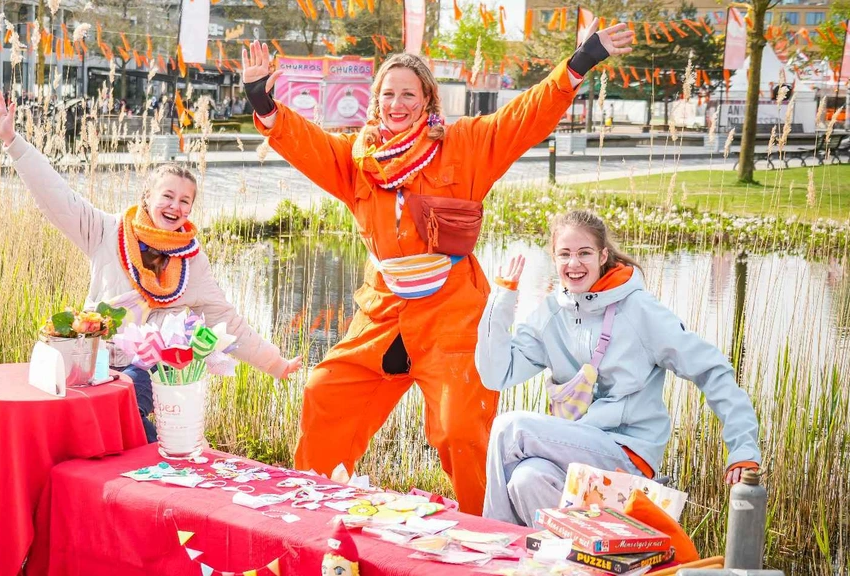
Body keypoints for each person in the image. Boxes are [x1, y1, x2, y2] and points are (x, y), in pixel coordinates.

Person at [241, 20, 634, 514]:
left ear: (427, 99)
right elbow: (304, 142)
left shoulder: (463, 145)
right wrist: (262, 100)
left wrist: (579, 62)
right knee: (325, 393)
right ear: (376, 100)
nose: (398, 104)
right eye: (389, 94)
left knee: (461, 428)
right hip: (382, 314)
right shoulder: (357, 158)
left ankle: (486, 528)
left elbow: (523, 118)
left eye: (409, 94)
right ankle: (310, 511)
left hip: (451, 310)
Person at [0, 87, 301, 442]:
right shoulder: (106, 231)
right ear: (147, 196)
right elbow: (57, 196)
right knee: (83, 422)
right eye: (167, 195)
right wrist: (12, 140)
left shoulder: (192, 260)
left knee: (129, 403)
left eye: (184, 201)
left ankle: (152, 473)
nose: (174, 207)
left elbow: (226, 319)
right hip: (94, 360)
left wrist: (276, 364)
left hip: (147, 369)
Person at [476, 210, 761, 526]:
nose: (574, 264)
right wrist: (502, 298)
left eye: (584, 253)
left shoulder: (639, 311)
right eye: (564, 254)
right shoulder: (551, 314)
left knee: (508, 428)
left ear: (602, 255)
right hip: (576, 447)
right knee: (527, 478)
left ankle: (493, 541)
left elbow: (711, 369)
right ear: (554, 259)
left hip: (626, 454)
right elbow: (495, 374)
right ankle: (568, 564)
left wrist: (743, 447)